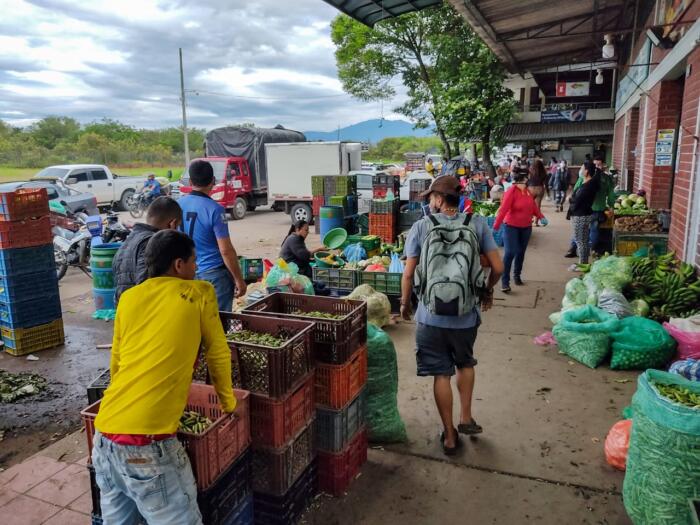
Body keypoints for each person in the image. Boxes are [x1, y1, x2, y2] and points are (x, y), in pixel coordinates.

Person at [91, 229, 236, 524]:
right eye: (194, 262)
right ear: (178, 265)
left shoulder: (129, 298)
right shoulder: (200, 293)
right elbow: (218, 353)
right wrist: (228, 403)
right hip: (147, 447)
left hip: (104, 438)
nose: (197, 268)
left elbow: (116, 362)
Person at [400, 176, 504, 456]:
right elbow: (498, 267)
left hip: (430, 316)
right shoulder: (477, 223)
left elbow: (408, 273)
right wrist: (486, 290)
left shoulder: (421, 226)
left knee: (441, 375)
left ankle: (449, 435)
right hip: (465, 316)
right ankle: (466, 417)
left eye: (431, 197)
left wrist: (404, 304)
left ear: (437, 198)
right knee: (465, 363)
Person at [178, 160, 247, 311]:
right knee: (218, 323)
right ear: (213, 182)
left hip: (188, 272)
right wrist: (239, 280)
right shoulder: (216, 209)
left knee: (196, 321)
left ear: (190, 181)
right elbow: (225, 250)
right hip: (214, 275)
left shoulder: (178, 204)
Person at [112, 196, 182, 305]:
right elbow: (147, 286)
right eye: (177, 227)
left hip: (123, 309)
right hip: (143, 312)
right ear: (172, 224)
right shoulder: (154, 243)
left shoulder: (129, 240)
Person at [493, 168, 546, 293]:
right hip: (511, 227)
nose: (528, 180)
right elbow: (503, 210)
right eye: (526, 178)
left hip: (526, 227)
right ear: (522, 180)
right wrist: (496, 226)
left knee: (521, 252)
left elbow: (533, 206)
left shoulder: (527, 192)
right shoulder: (511, 192)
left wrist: (541, 217)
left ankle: (517, 276)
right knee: (510, 252)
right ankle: (505, 282)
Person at [564, 153, 615, 257]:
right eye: (595, 165)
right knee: (590, 230)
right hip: (591, 209)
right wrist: (611, 205)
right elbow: (610, 195)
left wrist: (610, 205)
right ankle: (586, 249)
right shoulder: (602, 178)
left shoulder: (590, 178)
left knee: (585, 230)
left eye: (599, 165)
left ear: (603, 165)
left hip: (589, 209)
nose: (597, 167)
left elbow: (575, 192)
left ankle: (577, 249)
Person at [567, 161, 599, 267]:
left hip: (581, 215)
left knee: (580, 241)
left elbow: (577, 201)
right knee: (583, 241)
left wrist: (570, 199)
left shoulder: (588, 186)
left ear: (587, 171)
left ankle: (582, 264)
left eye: (582, 168)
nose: (580, 170)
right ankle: (584, 263)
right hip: (584, 214)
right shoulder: (587, 183)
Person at [527, 159, 547, 225]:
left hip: (531, 189)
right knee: (538, 206)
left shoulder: (530, 171)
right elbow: (545, 181)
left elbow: (527, 180)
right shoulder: (543, 172)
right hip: (540, 188)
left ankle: (529, 220)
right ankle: (536, 222)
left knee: (529, 205)